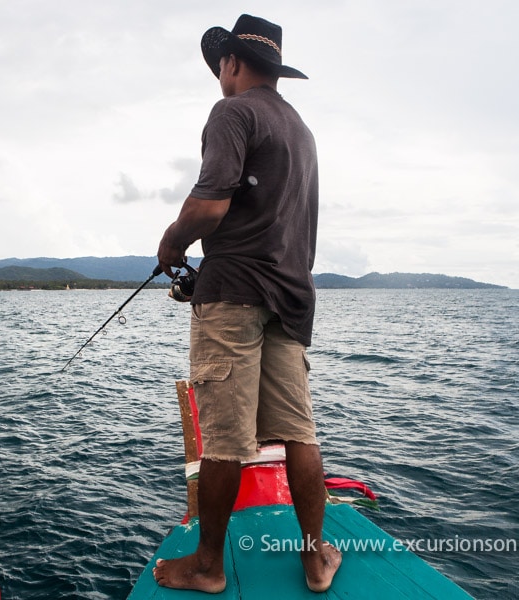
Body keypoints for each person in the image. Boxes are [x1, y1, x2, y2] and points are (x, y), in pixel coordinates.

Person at [154, 14, 341, 594]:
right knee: (298, 435)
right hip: (291, 300)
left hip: (232, 297)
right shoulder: (301, 130)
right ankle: (315, 560)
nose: (219, 77)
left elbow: (210, 206)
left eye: (221, 67)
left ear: (234, 64)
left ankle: (209, 566)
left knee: (227, 439)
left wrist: (172, 242)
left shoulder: (232, 112)